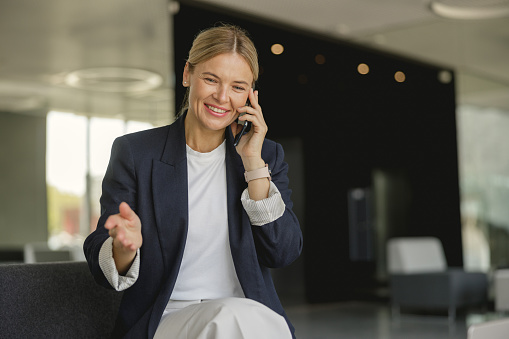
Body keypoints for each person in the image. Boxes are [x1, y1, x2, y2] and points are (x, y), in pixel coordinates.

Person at [84, 24, 303, 339]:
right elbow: (98, 257)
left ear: (252, 95)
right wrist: (124, 248)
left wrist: (253, 165)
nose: (222, 97)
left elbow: (282, 252)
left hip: (247, 316)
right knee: (232, 318)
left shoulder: (265, 155)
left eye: (238, 86)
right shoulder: (135, 153)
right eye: (211, 79)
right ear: (188, 74)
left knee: (237, 317)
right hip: (166, 319)